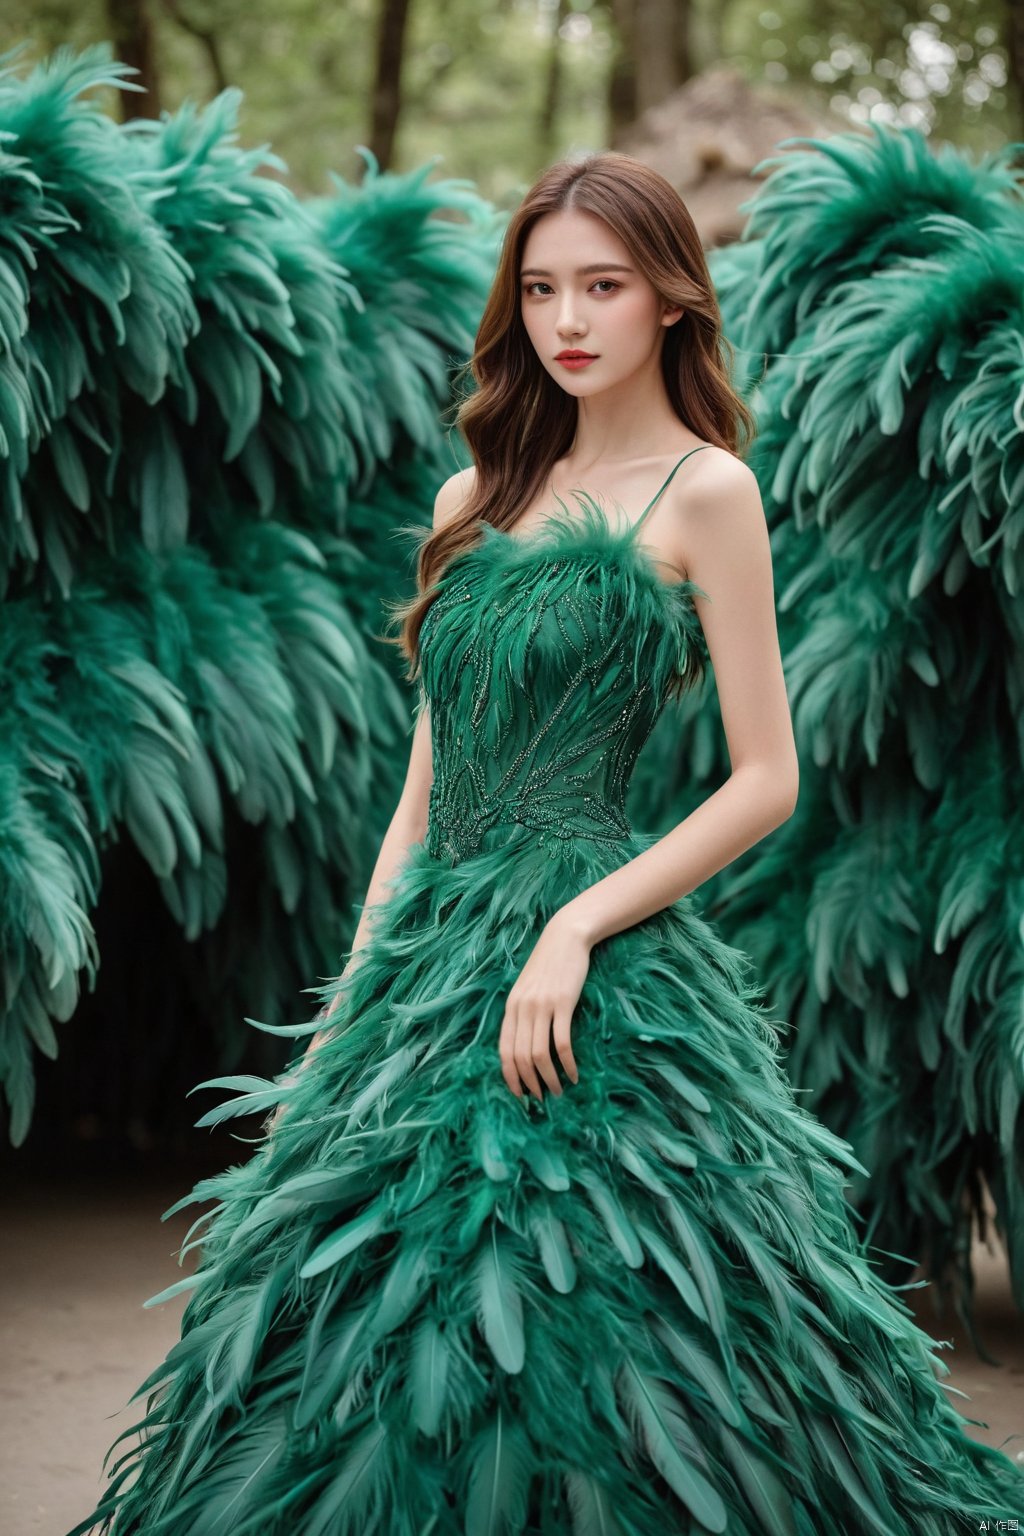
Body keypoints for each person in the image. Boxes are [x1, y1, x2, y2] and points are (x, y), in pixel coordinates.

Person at [70, 151, 1022, 1536]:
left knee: (607, 1303)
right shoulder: (474, 500)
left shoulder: (708, 493)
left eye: (604, 286)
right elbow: (422, 787)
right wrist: (356, 996)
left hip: (597, 945)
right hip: (432, 951)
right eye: (539, 290)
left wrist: (574, 928)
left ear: (671, 304)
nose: (566, 320)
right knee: (362, 1302)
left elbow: (767, 779)